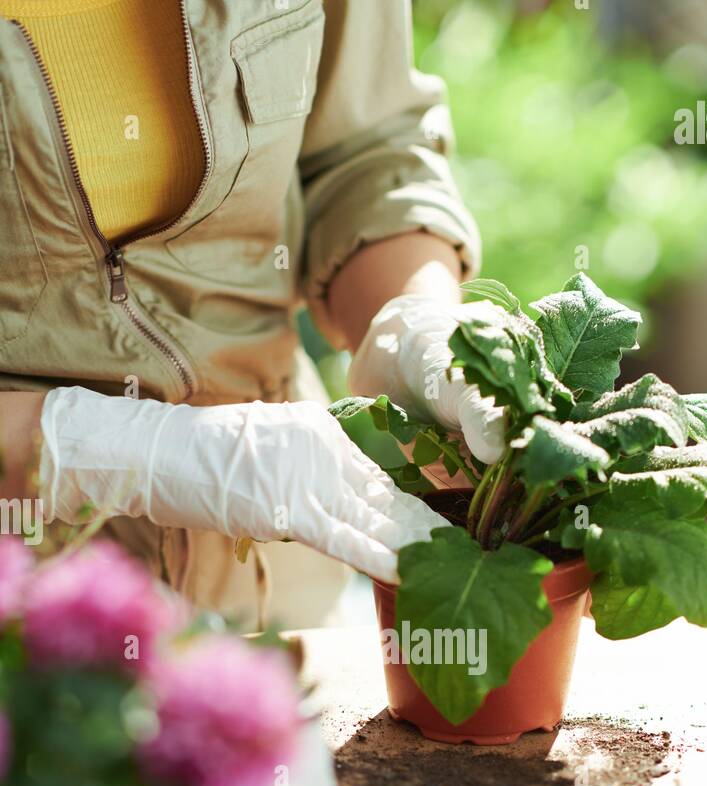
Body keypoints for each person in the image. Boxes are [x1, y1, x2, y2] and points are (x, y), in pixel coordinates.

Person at [0, 0, 505, 626]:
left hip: (284, 583)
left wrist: (411, 325)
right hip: (34, 638)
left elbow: (360, 149)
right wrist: (94, 450)